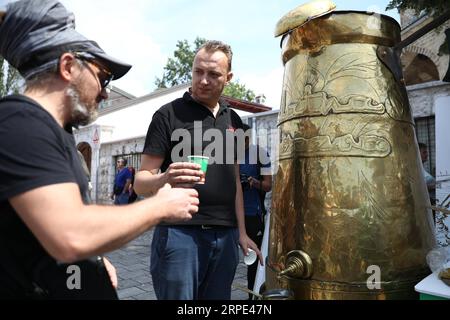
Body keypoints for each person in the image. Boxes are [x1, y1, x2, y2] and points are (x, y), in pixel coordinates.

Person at [0, 0, 199, 299]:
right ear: (67, 66)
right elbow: (71, 234)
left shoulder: (55, 132)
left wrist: (92, 259)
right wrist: (161, 206)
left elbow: (47, 230)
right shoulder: (19, 123)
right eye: (103, 76)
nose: (106, 91)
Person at [134, 40, 262, 300]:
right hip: (179, 234)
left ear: (228, 77)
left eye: (213, 74)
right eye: (197, 72)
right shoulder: (168, 115)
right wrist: (165, 177)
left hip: (225, 238)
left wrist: (241, 233)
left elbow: (235, 181)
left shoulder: (234, 121)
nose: (203, 80)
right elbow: (140, 182)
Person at [239, 123, 272, 299]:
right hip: (230, 215)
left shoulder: (261, 154)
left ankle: (252, 297)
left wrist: (253, 182)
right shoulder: (227, 155)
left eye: (244, 138)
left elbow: (268, 185)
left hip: (253, 214)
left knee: (253, 261)